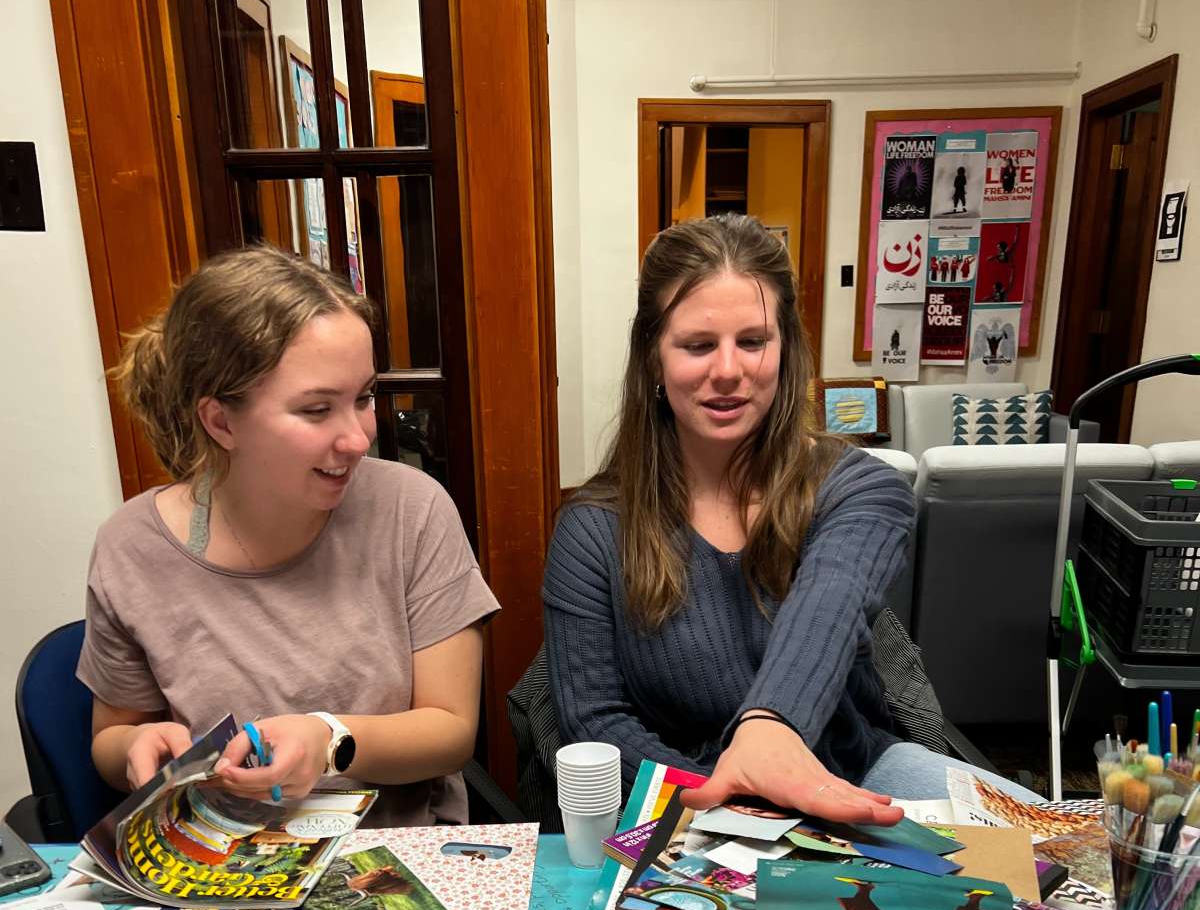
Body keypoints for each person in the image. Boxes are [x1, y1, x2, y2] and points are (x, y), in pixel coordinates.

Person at [542, 214, 1038, 822]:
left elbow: (827, 610)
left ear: (787, 350)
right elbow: (594, 724)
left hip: (857, 778)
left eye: (752, 341)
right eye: (698, 345)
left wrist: (770, 732)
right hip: (688, 803)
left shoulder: (858, 489)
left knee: (1065, 856)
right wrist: (740, 797)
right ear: (652, 358)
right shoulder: (592, 530)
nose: (728, 369)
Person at [79, 246, 497, 825]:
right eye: (317, 409)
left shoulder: (412, 509)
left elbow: (451, 730)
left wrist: (329, 741)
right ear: (221, 422)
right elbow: (113, 735)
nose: (357, 438)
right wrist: (137, 748)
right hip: (221, 854)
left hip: (394, 851)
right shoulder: (131, 547)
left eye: (364, 398)